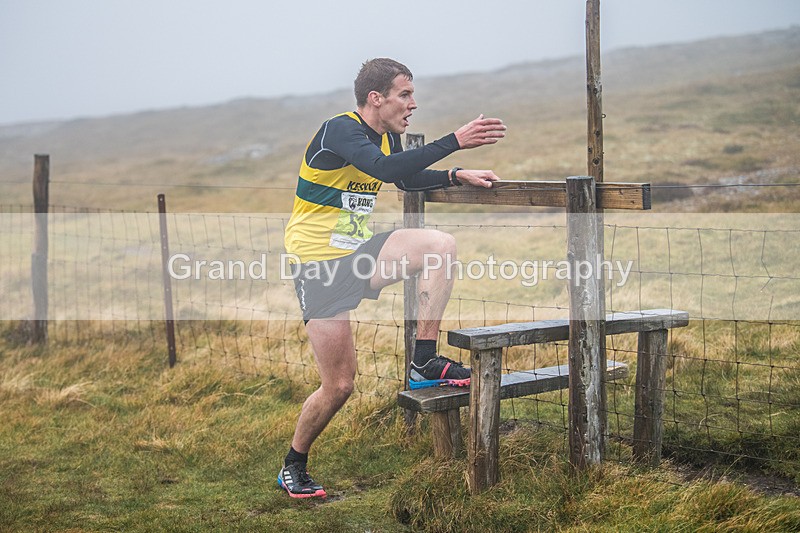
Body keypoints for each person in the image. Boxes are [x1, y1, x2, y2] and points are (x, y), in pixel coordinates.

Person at [278, 58, 506, 498]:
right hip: (318, 264)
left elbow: (404, 178)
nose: (413, 104)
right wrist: (455, 142)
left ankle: (424, 360)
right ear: (375, 98)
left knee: (440, 246)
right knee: (339, 385)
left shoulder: (385, 137)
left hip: (358, 256)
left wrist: (454, 175)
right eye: (405, 95)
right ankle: (294, 463)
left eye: (412, 95)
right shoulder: (340, 130)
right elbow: (384, 172)